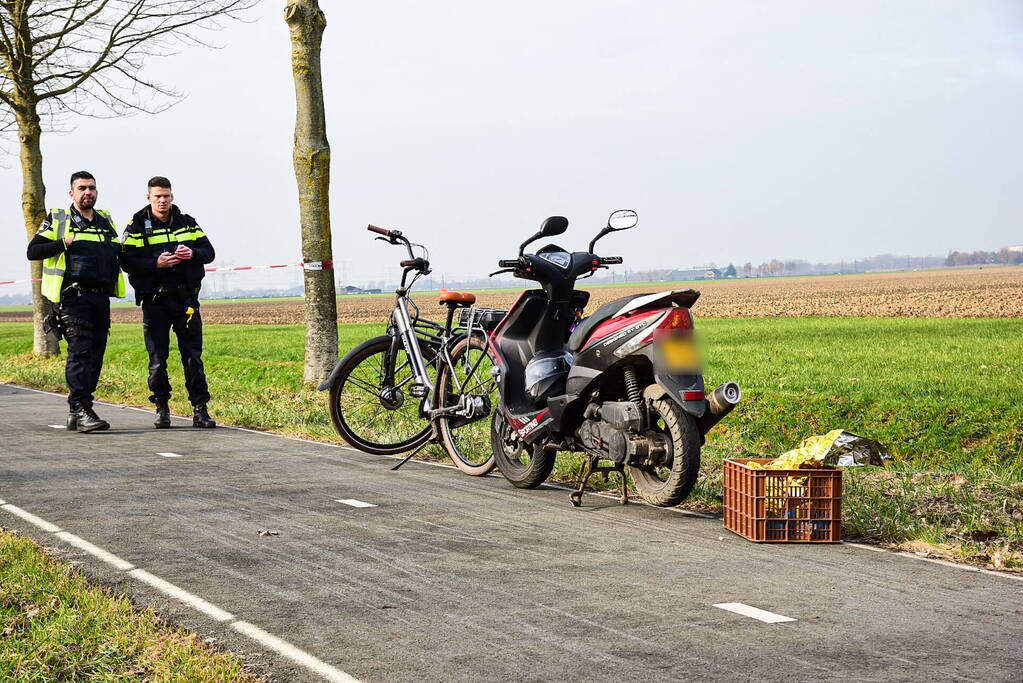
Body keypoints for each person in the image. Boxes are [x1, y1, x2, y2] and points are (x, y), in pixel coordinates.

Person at [26, 171, 126, 432]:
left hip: (100, 298)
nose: (87, 192)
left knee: (95, 355)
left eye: (92, 188)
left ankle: (78, 410)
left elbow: (119, 252)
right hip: (73, 298)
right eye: (82, 188)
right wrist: (63, 242)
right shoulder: (59, 218)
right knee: (80, 353)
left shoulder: (105, 221)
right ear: (72, 193)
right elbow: (33, 251)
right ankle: (81, 409)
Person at [120, 176, 217, 429]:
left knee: (193, 358)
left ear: (172, 196)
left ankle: (200, 410)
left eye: (166, 196)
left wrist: (192, 253)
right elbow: (126, 260)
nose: (163, 201)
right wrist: (155, 263)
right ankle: (162, 408)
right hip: (155, 301)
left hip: (185, 300)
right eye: (157, 196)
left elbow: (209, 253)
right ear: (149, 198)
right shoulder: (138, 224)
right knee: (158, 360)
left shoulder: (187, 222)